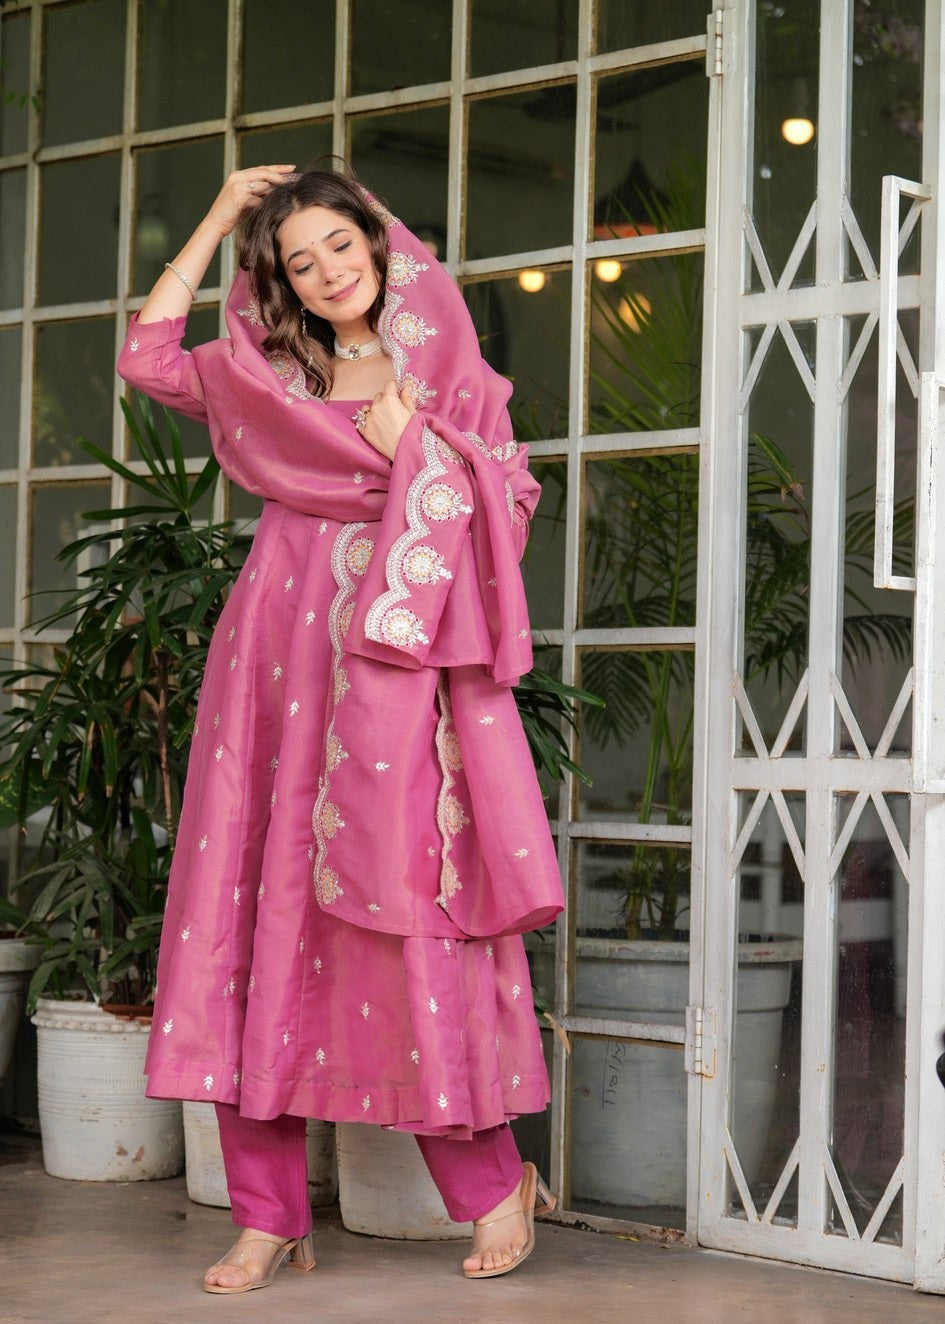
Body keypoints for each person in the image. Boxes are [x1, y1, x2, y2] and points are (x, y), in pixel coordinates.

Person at [117, 161, 564, 1295]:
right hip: (274, 660)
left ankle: (490, 1179)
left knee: (401, 903)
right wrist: (218, 213)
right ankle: (269, 1215)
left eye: (339, 248)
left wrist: (424, 439)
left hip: (395, 669)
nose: (324, 274)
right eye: (299, 261)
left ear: (380, 243)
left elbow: (510, 493)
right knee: (245, 909)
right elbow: (146, 358)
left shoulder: (447, 368)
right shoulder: (263, 371)